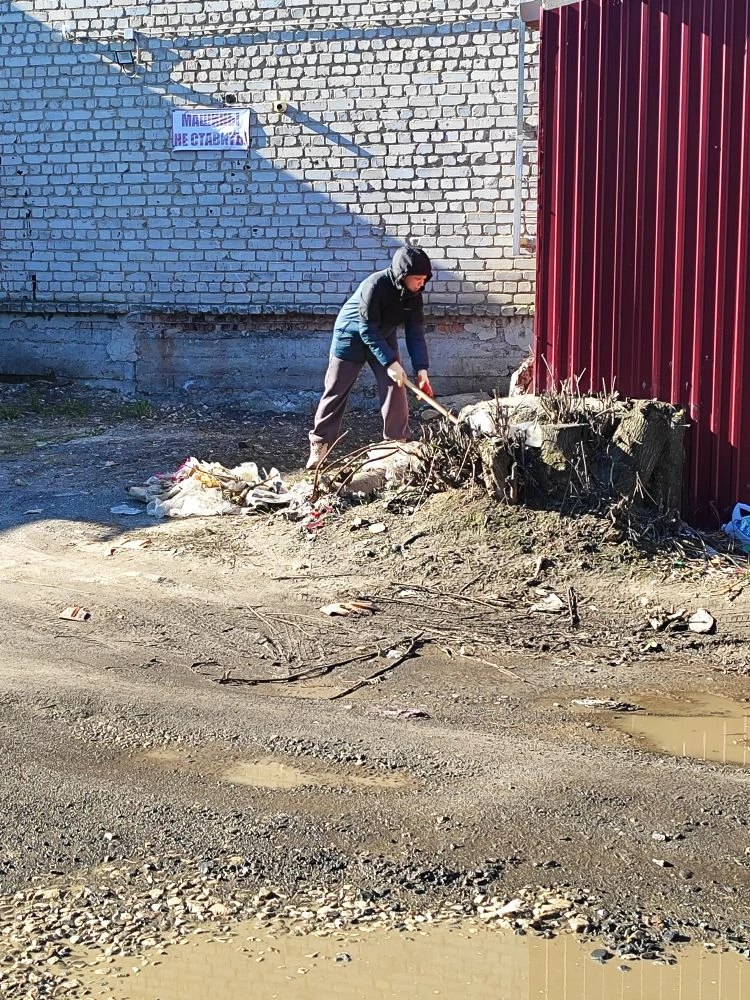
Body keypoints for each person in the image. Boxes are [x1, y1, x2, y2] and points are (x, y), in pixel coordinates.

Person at [307, 245, 435, 469]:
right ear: (402, 275)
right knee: (336, 390)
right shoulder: (375, 285)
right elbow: (367, 330)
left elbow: (415, 332)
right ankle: (320, 444)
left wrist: (422, 370)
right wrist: (391, 362)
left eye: (424, 279)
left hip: (382, 336)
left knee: (396, 386)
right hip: (351, 335)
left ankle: (396, 444)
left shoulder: (414, 295)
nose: (421, 284)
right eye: (417, 279)